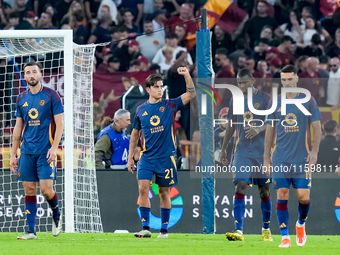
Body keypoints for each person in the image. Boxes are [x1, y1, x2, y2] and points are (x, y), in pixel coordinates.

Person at [127, 67, 196, 238]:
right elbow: (135, 134)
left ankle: (164, 231)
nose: (160, 89)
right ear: (149, 89)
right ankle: (145, 228)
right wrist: (130, 158)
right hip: (147, 157)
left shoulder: (170, 105)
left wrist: (187, 75)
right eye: (157, 86)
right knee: (143, 188)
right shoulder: (141, 110)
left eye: (161, 86)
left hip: (166, 157)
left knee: (164, 192)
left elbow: (191, 94)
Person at [263, 65, 322, 248]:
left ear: (296, 79)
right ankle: (285, 237)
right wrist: (266, 159)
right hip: (280, 157)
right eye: (283, 80)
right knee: (282, 194)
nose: (287, 83)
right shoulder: (275, 102)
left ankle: (300, 224)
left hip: (301, 158)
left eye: (289, 79)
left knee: (303, 197)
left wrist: (314, 152)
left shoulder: (308, 100)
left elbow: (317, 128)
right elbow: (269, 132)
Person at [10, 62, 64, 239]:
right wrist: (13, 155)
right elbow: (18, 129)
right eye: (28, 72)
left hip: (46, 151)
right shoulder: (21, 99)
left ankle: (56, 214)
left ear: (40, 74)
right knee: (29, 189)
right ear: (24, 76)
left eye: (34, 72)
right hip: (26, 152)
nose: (31, 75)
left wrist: (55, 148)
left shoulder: (51, 95)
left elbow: (60, 124)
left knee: (46, 189)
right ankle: (31, 231)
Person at [220, 68, 272, 242]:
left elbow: (274, 122)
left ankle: (266, 228)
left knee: (264, 191)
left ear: (253, 80)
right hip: (242, 150)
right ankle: (239, 230)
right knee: (240, 184)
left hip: (262, 151)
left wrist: (259, 128)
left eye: (244, 82)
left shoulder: (265, 98)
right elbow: (231, 126)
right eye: (239, 83)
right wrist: (223, 148)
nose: (242, 86)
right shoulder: (235, 100)